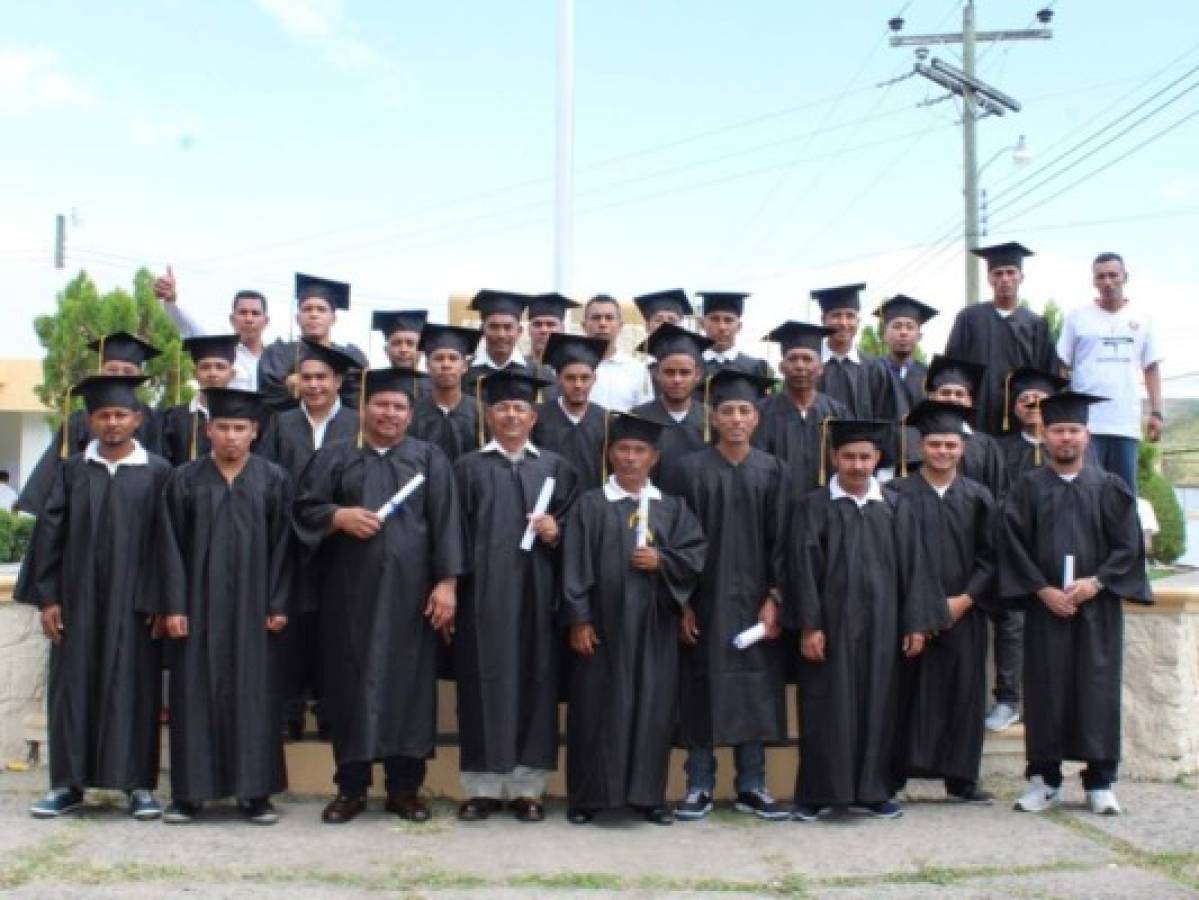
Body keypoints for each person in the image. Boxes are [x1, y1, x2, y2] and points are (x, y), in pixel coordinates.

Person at [294, 367, 463, 824]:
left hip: (412, 601)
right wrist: (337, 516)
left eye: (399, 406)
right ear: (364, 409)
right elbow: (304, 510)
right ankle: (350, 789)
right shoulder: (334, 457)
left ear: (411, 414)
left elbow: (447, 522)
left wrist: (447, 583)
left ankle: (404, 790)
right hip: (348, 597)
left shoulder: (430, 459)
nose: (389, 413)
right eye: (381, 404)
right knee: (350, 689)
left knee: (408, 691)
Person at [16, 374, 170, 820]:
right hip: (76, 601)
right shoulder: (70, 472)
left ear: (137, 419)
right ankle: (67, 785)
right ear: (89, 421)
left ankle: (138, 785)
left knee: (136, 690)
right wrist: (48, 599)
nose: (112, 424)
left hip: (136, 605)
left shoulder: (157, 472)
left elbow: (168, 544)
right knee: (72, 689)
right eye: (103, 415)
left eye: (121, 415)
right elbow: (49, 539)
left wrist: (162, 600)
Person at [1000, 391, 1151, 816]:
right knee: (1045, 692)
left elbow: (1128, 547)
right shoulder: (1027, 489)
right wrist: (1041, 590)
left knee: (1097, 691)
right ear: (1044, 435)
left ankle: (1100, 781)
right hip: (1045, 608)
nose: (1066, 438)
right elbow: (1011, 545)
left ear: (1087, 436)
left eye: (1073, 430)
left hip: (1096, 611)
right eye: (1057, 430)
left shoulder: (1110, 488)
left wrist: (1097, 583)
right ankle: (1044, 780)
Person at [561, 412, 706, 826]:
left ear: (654, 457)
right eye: (623, 449)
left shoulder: (672, 508)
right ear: (610, 454)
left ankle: (649, 798)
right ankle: (589, 798)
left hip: (654, 627)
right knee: (595, 710)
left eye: (639, 451)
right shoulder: (590, 505)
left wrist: (663, 560)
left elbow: (695, 554)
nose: (630, 458)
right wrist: (579, 619)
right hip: (602, 627)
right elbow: (574, 564)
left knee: (652, 710)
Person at [156, 388, 293, 825]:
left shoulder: (273, 480)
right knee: (194, 695)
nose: (231, 436)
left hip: (255, 609)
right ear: (208, 430)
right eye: (223, 428)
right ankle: (189, 794)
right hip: (197, 609)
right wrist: (173, 605)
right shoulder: (184, 480)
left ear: (254, 432)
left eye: (240, 428)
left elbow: (284, 548)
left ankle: (254, 794)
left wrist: (278, 601)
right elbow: (169, 547)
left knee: (254, 696)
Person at [453, 370, 579, 823]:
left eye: (519, 408)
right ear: (489, 414)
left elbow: (580, 536)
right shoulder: (467, 468)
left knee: (536, 684)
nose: (511, 415)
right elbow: (453, 532)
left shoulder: (556, 468)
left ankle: (529, 788)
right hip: (482, 598)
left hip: (538, 595)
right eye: (503, 407)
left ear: (533, 416)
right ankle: (482, 787)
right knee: (481, 685)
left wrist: (556, 531)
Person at [786, 418, 920, 822]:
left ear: (878, 458)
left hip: (884, 626)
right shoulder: (813, 506)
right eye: (849, 457)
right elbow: (802, 570)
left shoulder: (896, 506)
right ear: (834, 458)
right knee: (825, 707)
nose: (857, 465)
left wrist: (914, 624)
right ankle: (816, 794)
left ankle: (873, 791)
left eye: (865, 457)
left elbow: (914, 569)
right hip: (830, 626)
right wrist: (810, 625)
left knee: (880, 706)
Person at [674, 369, 790, 822]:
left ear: (756, 419)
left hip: (758, 602)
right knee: (701, 688)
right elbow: (677, 539)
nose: (736, 418)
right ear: (714, 417)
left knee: (756, 689)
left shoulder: (774, 471)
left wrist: (776, 597)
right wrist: (682, 602)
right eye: (727, 411)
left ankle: (752, 785)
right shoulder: (688, 471)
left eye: (744, 410)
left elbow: (785, 541)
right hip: (705, 600)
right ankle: (699, 785)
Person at [891, 400, 998, 805]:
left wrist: (966, 599)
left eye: (951, 445)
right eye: (935, 444)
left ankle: (961, 779)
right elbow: (891, 557)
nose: (943, 452)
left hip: (962, 612)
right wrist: (916, 607)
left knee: (964, 693)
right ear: (921, 447)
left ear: (962, 448)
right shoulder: (897, 493)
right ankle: (896, 774)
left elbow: (991, 557)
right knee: (905, 694)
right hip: (909, 615)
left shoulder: (978, 496)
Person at [259, 340, 361, 742]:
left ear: (338, 381)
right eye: (307, 377)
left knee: (336, 626)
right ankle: (289, 709)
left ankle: (332, 709)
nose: (314, 385)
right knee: (291, 625)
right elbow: (266, 478)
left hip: (340, 540)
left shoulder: (355, 424)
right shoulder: (280, 424)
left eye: (322, 377)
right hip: (289, 539)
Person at [17, 331, 162, 515]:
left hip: (138, 512)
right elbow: (57, 471)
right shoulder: (79, 420)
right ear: (100, 370)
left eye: (128, 371)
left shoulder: (155, 419)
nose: (119, 375)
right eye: (112, 369)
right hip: (83, 513)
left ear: (140, 375)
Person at [1056, 252, 1164, 493]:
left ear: (1125, 277)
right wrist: (1063, 413)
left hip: (1124, 423)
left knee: (1123, 497)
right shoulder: (1077, 317)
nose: (1108, 282)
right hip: (1086, 425)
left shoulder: (1143, 319)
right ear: (1093, 281)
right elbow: (1062, 365)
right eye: (1101, 276)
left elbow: (1151, 368)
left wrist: (1157, 412)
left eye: (1113, 275)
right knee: (1085, 495)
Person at [945, 242, 1058, 435]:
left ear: (1021, 277)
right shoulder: (969, 318)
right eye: (998, 273)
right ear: (989, 278)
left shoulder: (1036, 324)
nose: (1005, 279)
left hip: (1021, 412)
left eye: (1010, 272)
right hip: (977, 410)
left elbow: (1046, 372)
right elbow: (953, 365)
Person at [754, 322, 849, 501]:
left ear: (820, 368)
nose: (800, 366)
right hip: (776, 504)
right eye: (792, 359)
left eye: (807, 359)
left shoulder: (837, 412)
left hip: (826, 505)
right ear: (782, 367)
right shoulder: (761, 411)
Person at [258, 273, 368, 413]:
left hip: (338, 432)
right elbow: (269, 398)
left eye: (321, 309)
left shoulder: (351, 357)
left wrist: (301, 385)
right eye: (307, 309)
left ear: (333, 318)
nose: (314, 315)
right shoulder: (277, 354)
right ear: (298, 318)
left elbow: (356, 401)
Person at [153, 267, 268, 391]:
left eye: (255, 313)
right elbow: (188, 325)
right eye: (243, 312)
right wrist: (171, 300)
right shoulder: (218, 350)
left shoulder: (278, 359)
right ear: (231, 319)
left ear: (266, 321)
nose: (249, 319)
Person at [630, 324, 711, 492]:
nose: (677, 379)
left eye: (684, 372)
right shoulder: (638, 418)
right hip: (652, 509)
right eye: (669, 372)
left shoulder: (712, 419)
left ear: (697, 375)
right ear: (657, 374)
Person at [867, 295, 937, 480]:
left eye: (910, 326)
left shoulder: (931, 376)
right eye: (896, 326)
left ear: (919, 335)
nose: (903, 333)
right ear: (884, 334)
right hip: (882, 462)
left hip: (921, 461)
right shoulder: (871, 371)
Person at [533, 332, 610, 492]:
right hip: (548, 505)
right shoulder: (537, 417)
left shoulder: (606, 420)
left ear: (594, 379)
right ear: (558, 379)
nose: (578, 385)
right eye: (570, 378)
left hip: (592, 504)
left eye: (585, 378)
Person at [924, 355, 1008, 499]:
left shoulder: (987, 446)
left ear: (970, 401)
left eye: (959, 394)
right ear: (932, 397)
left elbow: (999, 494)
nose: (952, 398)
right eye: (945, 393)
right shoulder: (914, 439)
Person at [159, 334, 239, 467]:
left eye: (220, 367)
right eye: (205, 367)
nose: (213, 373)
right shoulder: (173, 418)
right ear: (194, 373)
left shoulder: (242, 418)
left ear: (232, 374)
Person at [410, 323, 482, 462]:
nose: (446, 365)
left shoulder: (481, 412)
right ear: (427, 366)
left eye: (453, 358)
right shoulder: (413, 413)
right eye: (438, 358)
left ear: (465, 366)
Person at [995, 366, 1072, 488]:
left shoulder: (1069, 445)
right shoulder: (999, 450)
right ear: (1014, 409)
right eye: (1024, 399)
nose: (1032, 404)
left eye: (1038, 398)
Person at [583, 295, 654, 412]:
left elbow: (646, 413)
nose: (602, 323)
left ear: (620, 326)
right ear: (584, 326)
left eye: (609, 318)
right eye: (596, 318)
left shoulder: (637, 369)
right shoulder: (570, 367)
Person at [813, 283, 875, 419]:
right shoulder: (809, 366)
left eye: (850, 316)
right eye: (836, 315)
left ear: (858, 321)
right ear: (823, 320)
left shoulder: (874, 367)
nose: (843, 322)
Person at [464, 290, 534, 391]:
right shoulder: (464, 372)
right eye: (493, 327)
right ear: (482, 330)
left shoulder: (538, 372)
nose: (501, 335)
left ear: (519, 331)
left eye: (508, 327)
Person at [696, 291, 772, 382]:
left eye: (728, 320)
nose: (722, 327)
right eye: (714, 319)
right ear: (702, 324)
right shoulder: (690, 365)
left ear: (739, 327)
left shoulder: (755, 366)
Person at [526, 292, 580, 369]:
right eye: (537, 324)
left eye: (550, 324)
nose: (543, 330)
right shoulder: (516, 368)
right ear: (529, 329)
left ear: (562, 329)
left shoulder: (574, 370)